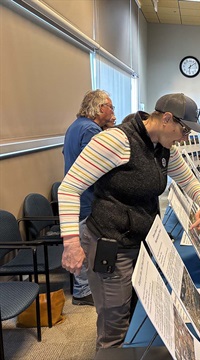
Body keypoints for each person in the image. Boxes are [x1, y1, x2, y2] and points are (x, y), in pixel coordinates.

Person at [58, 93, 200, 349]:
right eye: (184, 130)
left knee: (136, 313)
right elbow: (69, 188)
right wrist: (71, 242)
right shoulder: (114, 141)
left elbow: (189, 181)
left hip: (140, 242)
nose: (185, 138)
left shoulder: (163, 149)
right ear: (166, 118)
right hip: (110, 243)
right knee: (114, 326)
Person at [63, 89, 115, 306]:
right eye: (110, 107)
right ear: (100, 107)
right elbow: (97, 168)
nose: (113, 111)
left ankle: (81, 287)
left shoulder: (75, 127)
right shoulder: (91, 129)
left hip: (78, 198)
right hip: (86, 199)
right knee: (85, 247)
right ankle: (83, 291)